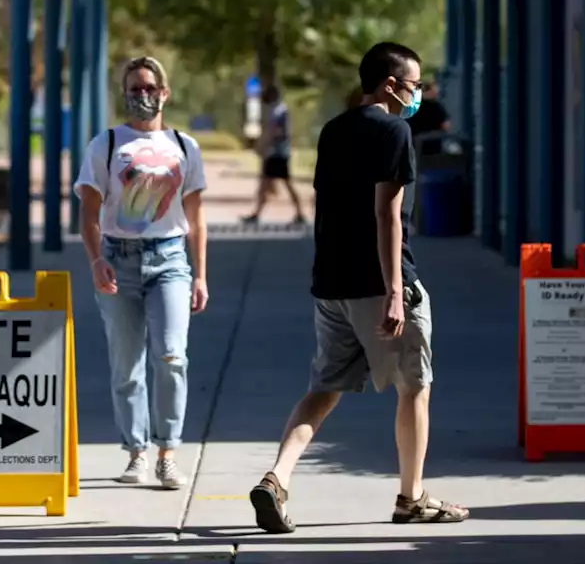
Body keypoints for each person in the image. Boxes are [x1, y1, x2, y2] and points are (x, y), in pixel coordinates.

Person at [249, 42, 469, 533]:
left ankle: (277, 478)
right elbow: (387, 215)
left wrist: (327, 275)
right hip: (380, 283)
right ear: (389, 85)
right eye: (412, 86)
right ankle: (411, 498)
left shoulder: (334, 129)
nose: (416, 96)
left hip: (332, 285)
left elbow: (327, 207)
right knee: (415, 387)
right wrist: (395, 290)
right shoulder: (394, 130)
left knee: (324, 388)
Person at [74, 56, 209, 490]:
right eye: (135, 89)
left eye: (150, 88)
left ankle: (167, 451)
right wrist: (97, 260)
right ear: (124, 94)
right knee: (126, 365)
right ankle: (136, 452)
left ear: (165, 93)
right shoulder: (107, 144)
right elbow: (89, 213)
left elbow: (196, 216)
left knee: (172, 355)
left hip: (170, 261)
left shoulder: (185, 146)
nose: (143, 96)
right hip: (118, 260)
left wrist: (200, 275)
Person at [241, 85, 305, 226]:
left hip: (277, 153)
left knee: (284, 183)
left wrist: (263, 146)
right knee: (266, 183)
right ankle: (257, 213)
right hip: (277, 152)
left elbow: (276, 132)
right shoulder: (278, 110)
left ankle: (300, 213)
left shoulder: (278, 112)